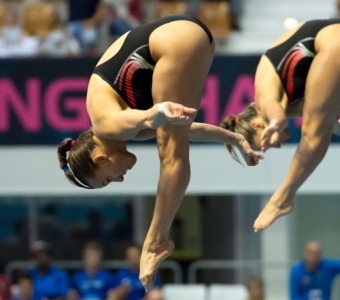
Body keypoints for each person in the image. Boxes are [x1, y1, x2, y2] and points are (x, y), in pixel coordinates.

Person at [56, 14, 262, 290]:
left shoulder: (105, 123)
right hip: (185, 38)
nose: (120, 179)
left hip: (175, 42)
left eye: (108, 178)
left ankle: (154, 242)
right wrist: (235, 138)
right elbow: (185, 128)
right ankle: (156, 239)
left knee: (171, 153)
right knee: (173, 139)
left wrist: (158, 111)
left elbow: (144, 119)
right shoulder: (118, 130)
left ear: (100, 158)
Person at [220, 18, 340, 232]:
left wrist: (274, 124)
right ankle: (284, 198)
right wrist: (337, 125)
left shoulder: (264, 98)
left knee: (311, 133)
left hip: (336, 37)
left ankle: (281, 198)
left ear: (257, 125)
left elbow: (277, 116)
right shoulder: (288, 104)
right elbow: (319, 111)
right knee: (320, 123)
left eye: (264, 145)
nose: (275, 146)